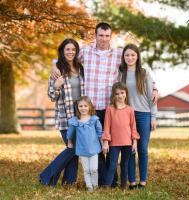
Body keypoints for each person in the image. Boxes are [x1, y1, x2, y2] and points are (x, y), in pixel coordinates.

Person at [51, 22, 158, 185]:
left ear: (111, 36)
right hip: (91, 109)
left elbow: (136, 67)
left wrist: (155, 86)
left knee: (112, 145)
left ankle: (112, 180)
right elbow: (68, 57)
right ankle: (105, 179)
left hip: (111, 108)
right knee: (95, 146)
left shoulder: (118, 54)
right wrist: (54, 65)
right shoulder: (86, 51)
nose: (103, 39)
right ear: (95, 35)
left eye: (107, 36)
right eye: (100, 35)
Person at [39, 38, 85, 186]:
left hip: (82, 116)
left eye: (73, 49)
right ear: (62, 51)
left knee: (75, 150)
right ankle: (46, 176)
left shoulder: (81, 68)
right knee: (73, 148)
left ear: (76, 52)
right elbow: (52, 96)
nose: (71, 52)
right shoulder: (57, 70)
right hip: (65, 117)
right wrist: (57, 86)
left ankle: (68, 182)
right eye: (67, 49)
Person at [119, 43, 157, 189]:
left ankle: (143, 180)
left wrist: (153, 116)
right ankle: (132, 181)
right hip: (126, 115)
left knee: (142, 149)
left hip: (143, 114)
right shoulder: (120, 73)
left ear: (137, 56)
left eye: (133, 55)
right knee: (129, 149)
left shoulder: (144, 73)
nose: (130, 57)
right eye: (127, 55)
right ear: (123, 56)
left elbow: (151, 97)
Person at [102, 82, 140, 190]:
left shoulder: (130, 109)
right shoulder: (110, 109)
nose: (120, 96)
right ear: (113, 95)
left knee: (125, 165)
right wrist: (105, 142)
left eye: (122, 93)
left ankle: (123, 187)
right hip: (114, 143)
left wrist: (135, 142)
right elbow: (107, 127)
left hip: (127, 143)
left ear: (126, 93)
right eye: (117, 93)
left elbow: (133, 127)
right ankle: (107, 187)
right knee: (112, 165)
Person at [67, 96, 103, 192]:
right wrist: (69, 142)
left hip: (94, 148)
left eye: (85, 106)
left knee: (94, 169)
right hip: (82, 149)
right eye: (80, 106)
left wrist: (103, 144)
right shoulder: (75, 121)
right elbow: (70, 133)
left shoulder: (94, 119)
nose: (83, 108)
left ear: (90, 107)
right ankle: (89, 187)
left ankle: (95, 185)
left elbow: (100, 132)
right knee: (86, 170)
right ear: (77, 108)